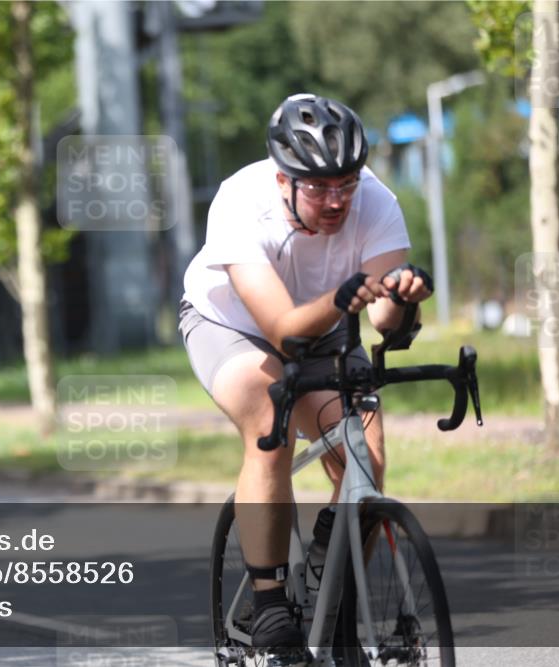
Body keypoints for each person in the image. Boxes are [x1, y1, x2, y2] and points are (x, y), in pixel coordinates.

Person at [179, 94, 432, 654]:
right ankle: (269, 603)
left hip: (328, 331)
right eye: (318, 187)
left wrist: (404, 299)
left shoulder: (379, 203)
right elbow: (284, 331)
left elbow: (387, 323)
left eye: (346, 183)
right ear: (282, 178)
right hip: (234, 325)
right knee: (268, 418)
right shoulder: (241, 202)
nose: (337, 199)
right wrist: (346, 299)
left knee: (365, 453)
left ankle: (329, 585)